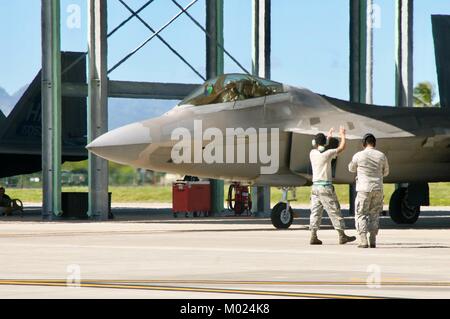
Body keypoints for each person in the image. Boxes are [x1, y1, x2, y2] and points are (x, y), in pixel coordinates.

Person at [309, 127, 356, 245]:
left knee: (315, 212)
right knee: (335, 211)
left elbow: (322, 148)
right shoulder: (328, 154)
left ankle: (313, 236)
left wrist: (328, 137)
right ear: (324, 143)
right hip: (325, 187)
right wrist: (342, 135)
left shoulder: (312, 153)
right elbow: (341, 147)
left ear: (314, 143)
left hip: (315, 188)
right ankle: (342, 235)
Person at [348, 133, 389, 248]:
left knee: (361, 213)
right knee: (374, 213)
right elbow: (386, 172)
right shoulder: (381, 155)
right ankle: (373, 239)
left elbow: (351, 168)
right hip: (377, 188)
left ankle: (363, 239)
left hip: (363, 189)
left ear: (364, 143)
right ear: (374, 143)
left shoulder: (359, 155)